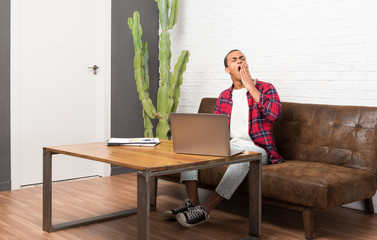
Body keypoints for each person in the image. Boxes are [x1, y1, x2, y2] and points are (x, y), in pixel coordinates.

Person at [163, 49, 284, 227]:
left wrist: (250, 86)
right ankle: (194, 204)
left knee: (243, 159)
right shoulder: (224, 96)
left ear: (247, 64)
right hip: (230, 145)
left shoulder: (266, 88)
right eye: (234, 60)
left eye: (242, 58)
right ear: (227, 69)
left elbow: (274, 114)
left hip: (258, 148)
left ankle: (205, 210)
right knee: (192, 151)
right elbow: (216, 129)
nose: (239, 61)